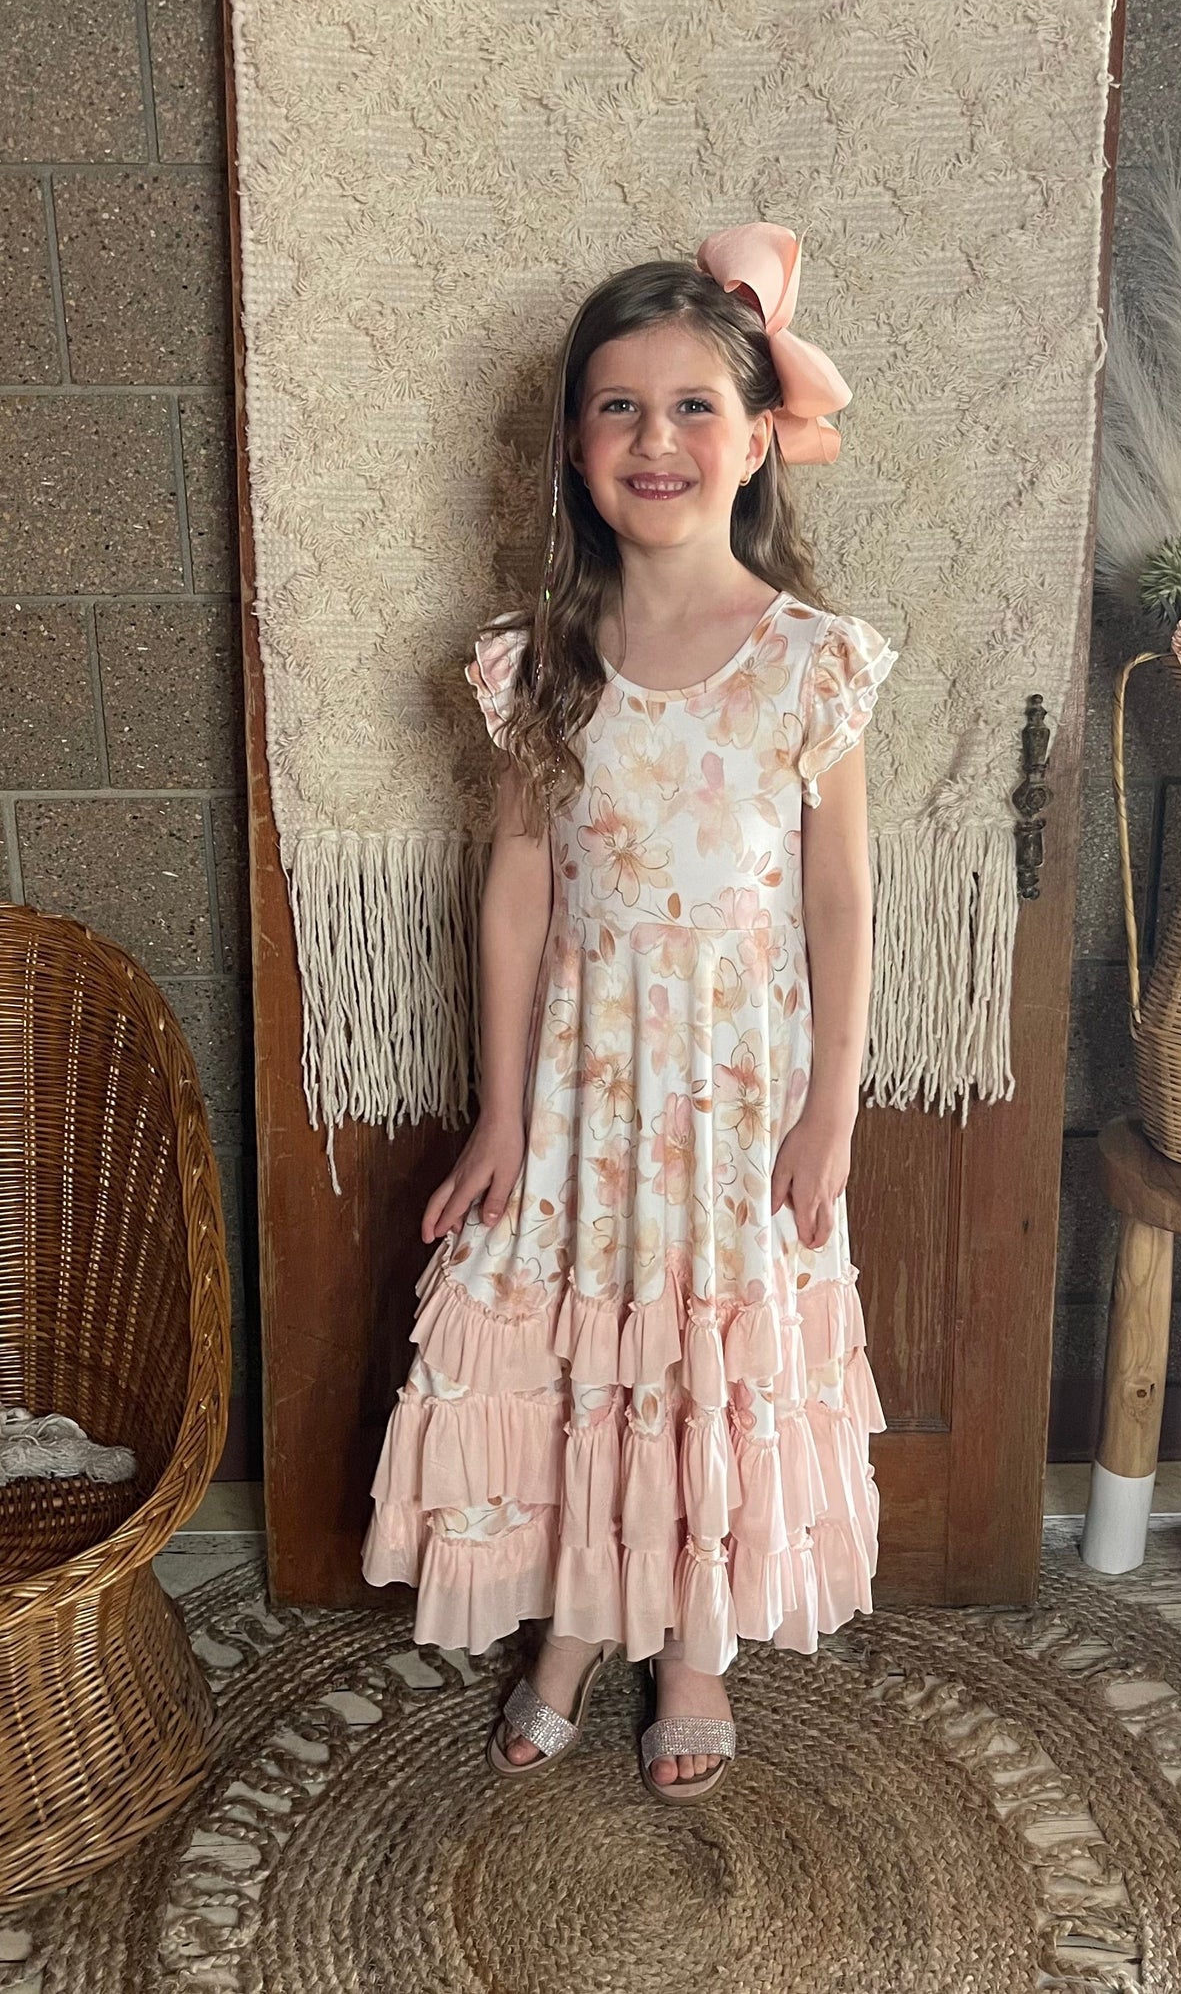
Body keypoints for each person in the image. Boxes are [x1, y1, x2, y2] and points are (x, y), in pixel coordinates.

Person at [361, 221, 899, 1803]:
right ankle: (576, 1622)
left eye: (690, 407)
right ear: (573, 444)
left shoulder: (809, 664)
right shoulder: (539, 662)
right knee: (583, 1356)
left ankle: (693, 1649)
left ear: (756, 441)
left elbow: (840, 903)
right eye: (618, 406)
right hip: (587, 1095)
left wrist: (831, 1108)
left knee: (703, 1368)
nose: (653, 439)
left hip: (736, 1103)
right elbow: (518, 888)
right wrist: (501, 1111)